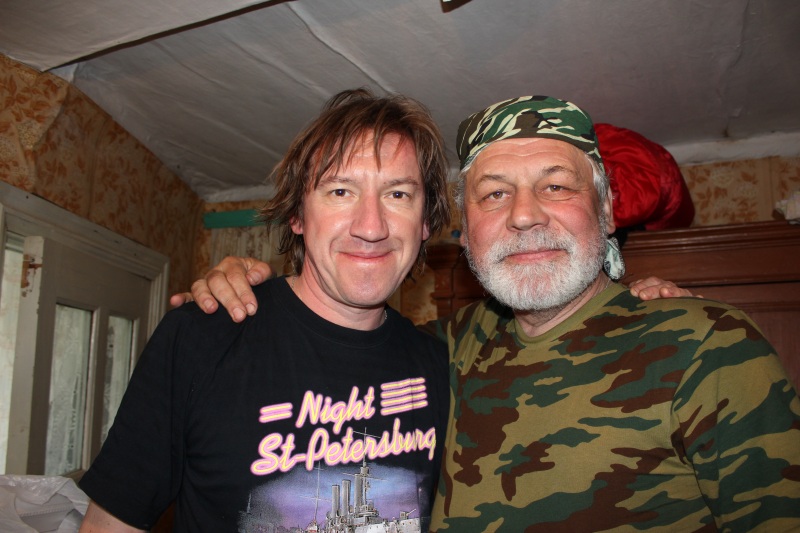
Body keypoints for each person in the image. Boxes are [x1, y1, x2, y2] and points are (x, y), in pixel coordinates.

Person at [184, 95, 800, 531]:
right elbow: (333, 338)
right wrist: (244, 287)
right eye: (495, 193)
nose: (524, 214)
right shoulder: (441, 350)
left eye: (556, 185)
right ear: (465, 230)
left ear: (608, 211)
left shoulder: (707, 347)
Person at [78, 88, 453, 532]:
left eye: (398, 194)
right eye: (340, 190)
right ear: (297, 216)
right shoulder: (201, 337)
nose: (371, 227)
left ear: (425, 222)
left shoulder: (442, 365)